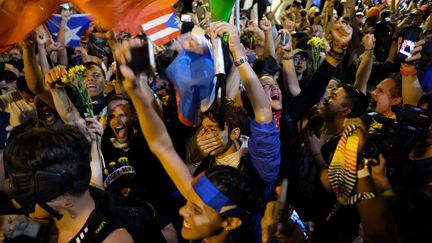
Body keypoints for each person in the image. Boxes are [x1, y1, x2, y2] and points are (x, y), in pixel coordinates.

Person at [116, 34, 264, 242]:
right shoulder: (205, 198)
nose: (183, 212)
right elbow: (161, 146)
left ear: (231, 222)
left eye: (195, 209)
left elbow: (263, 113)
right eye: (189, 202)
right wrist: (136, 88)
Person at [4, 126, 133, 243]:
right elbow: (61, 232)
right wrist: (29, 228)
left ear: (52, 195)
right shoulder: (84, 197)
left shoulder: (113, 240)